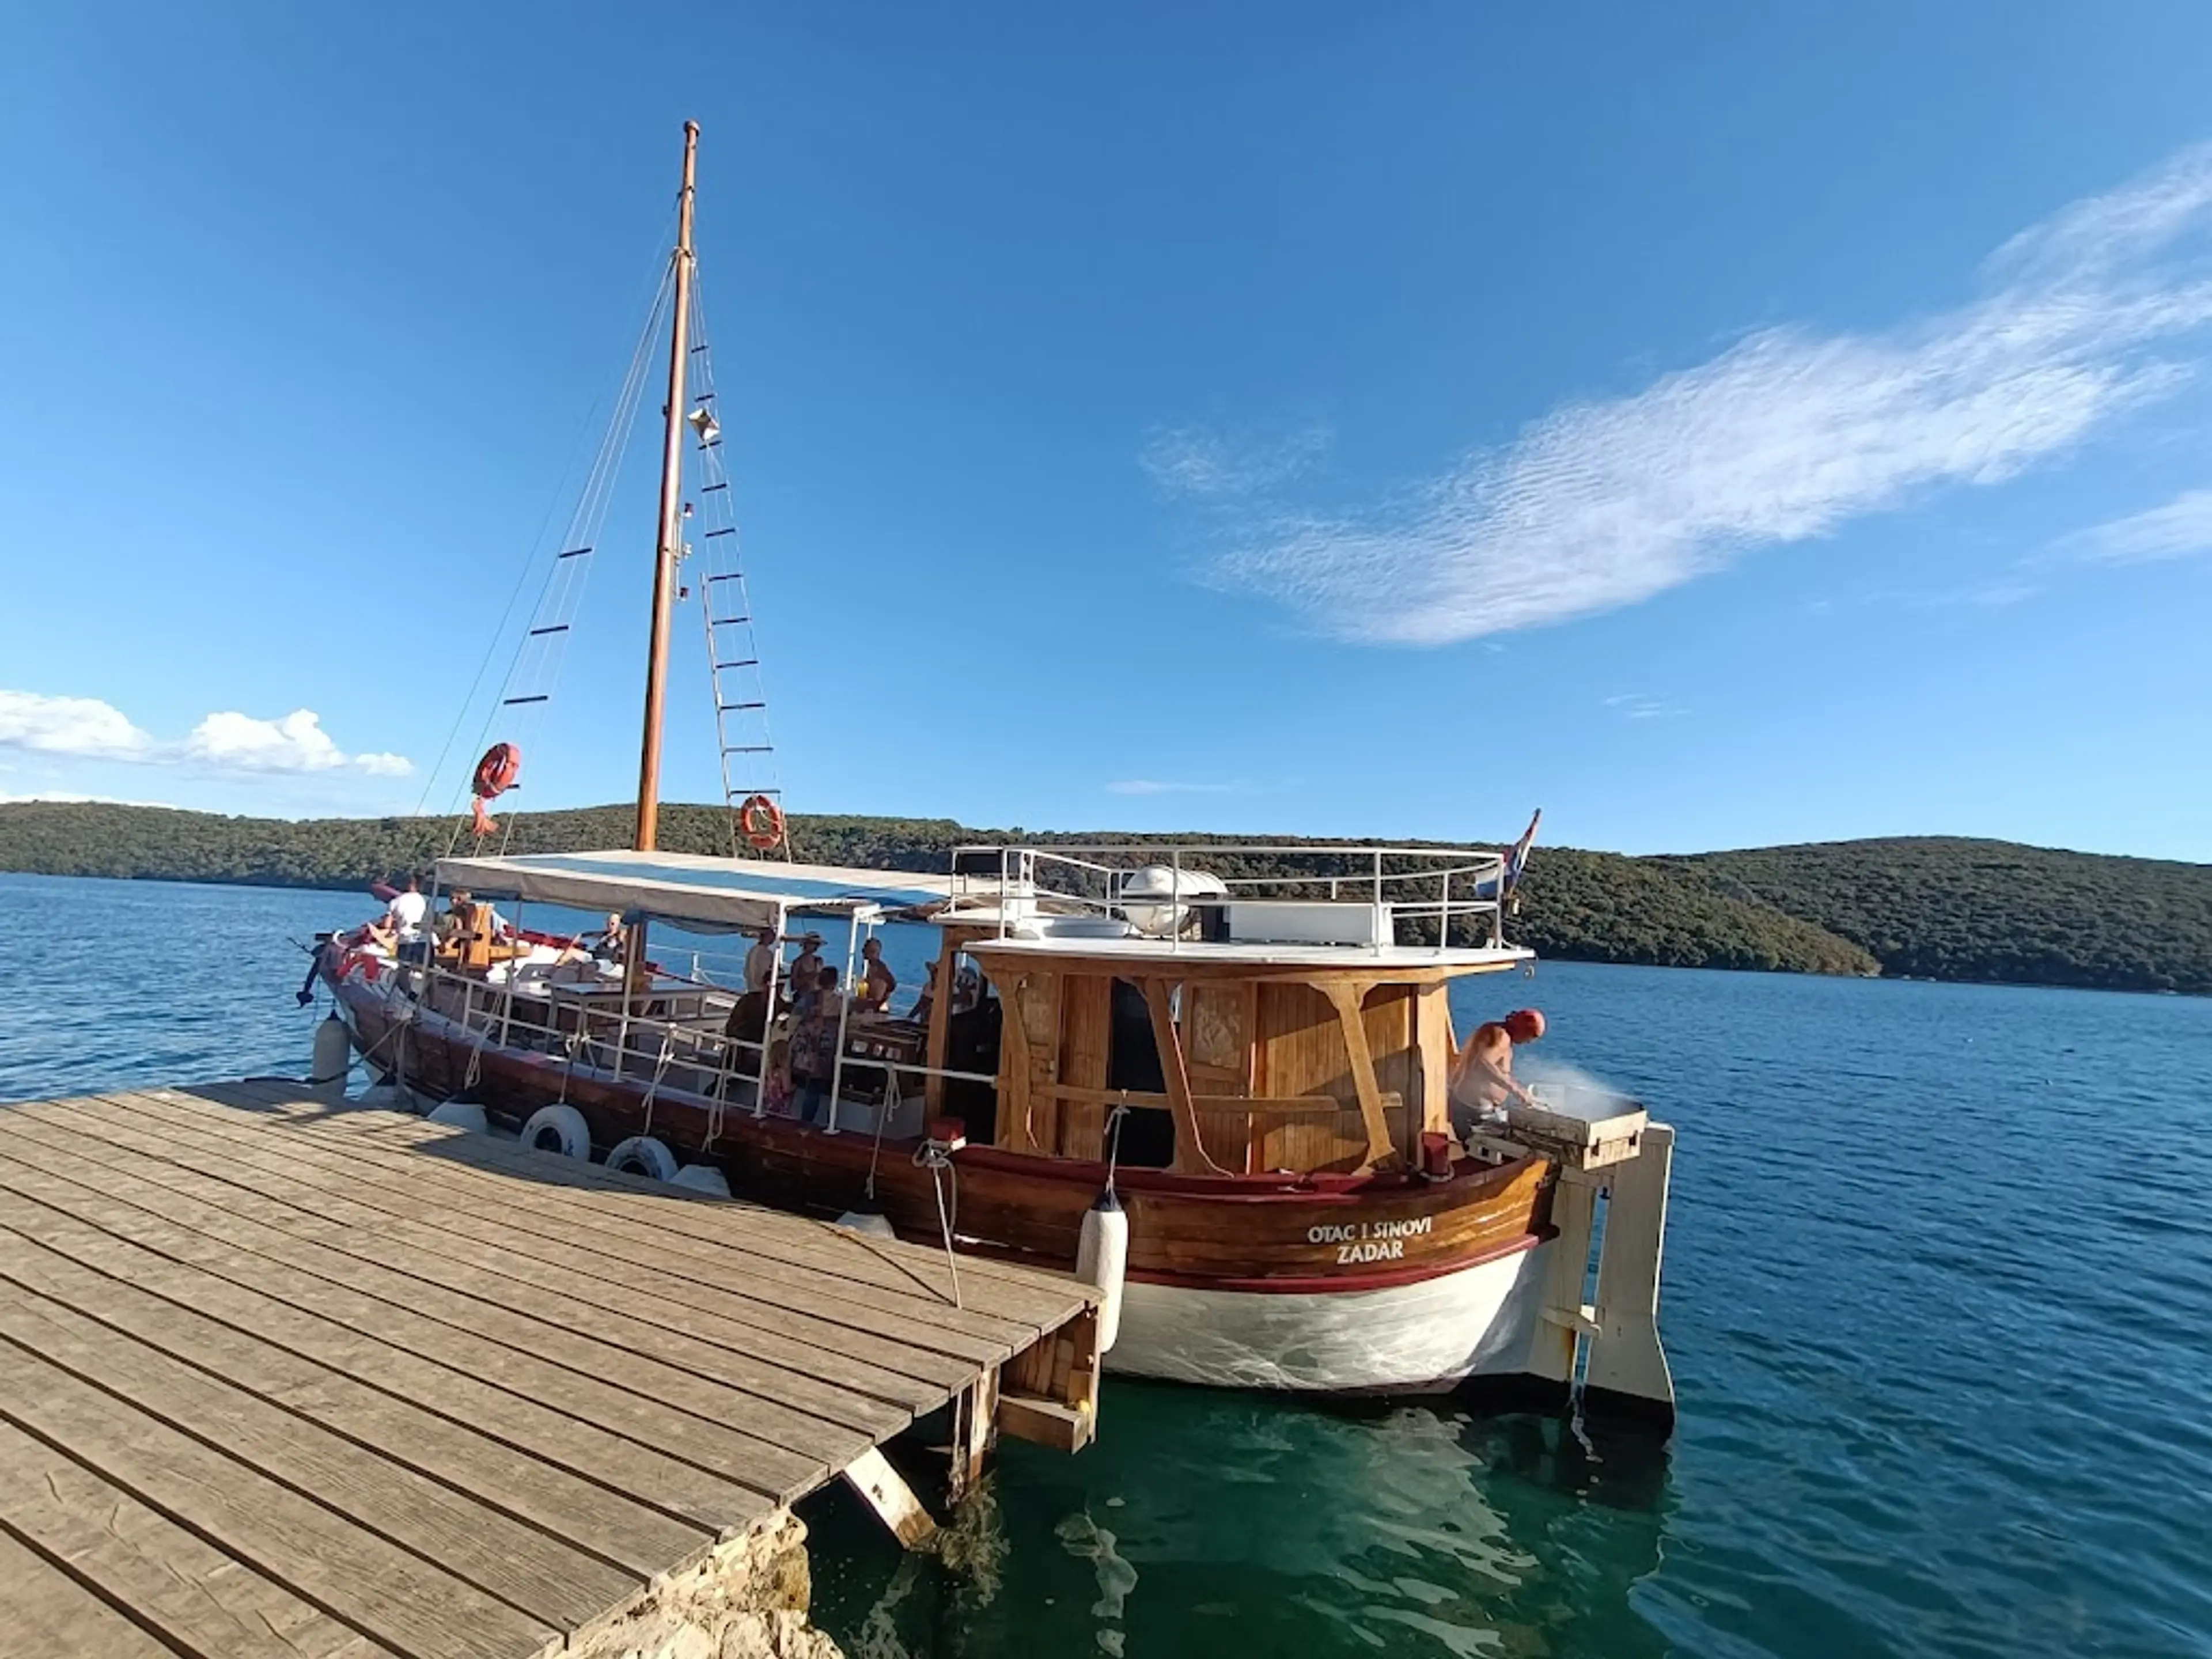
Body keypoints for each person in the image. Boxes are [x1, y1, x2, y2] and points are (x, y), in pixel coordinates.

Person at [1449, 1007, 1546, 1135]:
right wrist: (1517, 1091)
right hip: (1474, 1111)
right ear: (1522, 1027)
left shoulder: (1494, 1031)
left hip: (1473, 1107)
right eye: (1532, 1035)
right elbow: (1482, 1063)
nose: (1530, 1041)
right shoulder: (1501, 1037)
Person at [791, 967, 841, 1124]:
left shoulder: (808, 998)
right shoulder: (838, 1002)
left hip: (804, 1045)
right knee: (815, 1086)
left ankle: (787, 1113)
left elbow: (795, 1017)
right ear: (834, 983)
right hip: (823, 1048)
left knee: (799, 1079)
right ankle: (807, 1121)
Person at [855, 937, 896, 1014]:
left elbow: (890, 985)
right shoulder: (871, 966)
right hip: (873, 1005)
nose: (862, 951)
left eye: (865, 949)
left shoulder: (878, 969)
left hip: (875, 1009)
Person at [385, 875, 428, 941]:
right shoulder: (426, 901)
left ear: (410, 885)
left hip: (402, 937)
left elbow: (387, 925)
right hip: (420, 938)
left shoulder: (396, 901)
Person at [743, 926, 779, 993]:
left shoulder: (753, 950)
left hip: (751, 986)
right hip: (761, 988)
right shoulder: (765, 953)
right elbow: (766, 971)